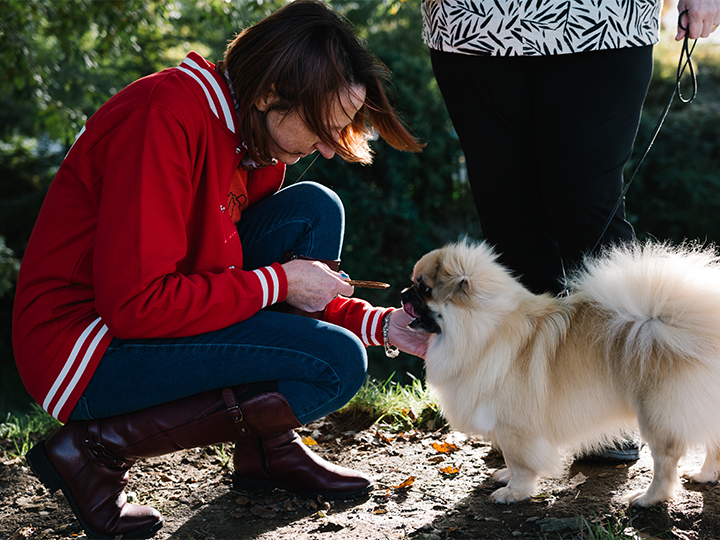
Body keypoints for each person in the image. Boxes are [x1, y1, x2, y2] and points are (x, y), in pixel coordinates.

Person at [12, 1, 429, 538]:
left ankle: (267, 449)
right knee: (334, 364)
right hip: (82, 346)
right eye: (324, 128)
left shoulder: (251, 140)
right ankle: (93, 449)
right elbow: (138, 305)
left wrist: (380, 325)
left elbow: (253, 291)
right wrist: (280, 281)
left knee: (313, 209)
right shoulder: (162, 118)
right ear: (266, 93)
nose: (328, 149)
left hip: (145, 317)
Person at [421, 0, 720, 461]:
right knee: (508, 216)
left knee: (587, 208)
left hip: (599, 21)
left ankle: (614, 407)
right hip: (473, 24)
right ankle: (521, 415)